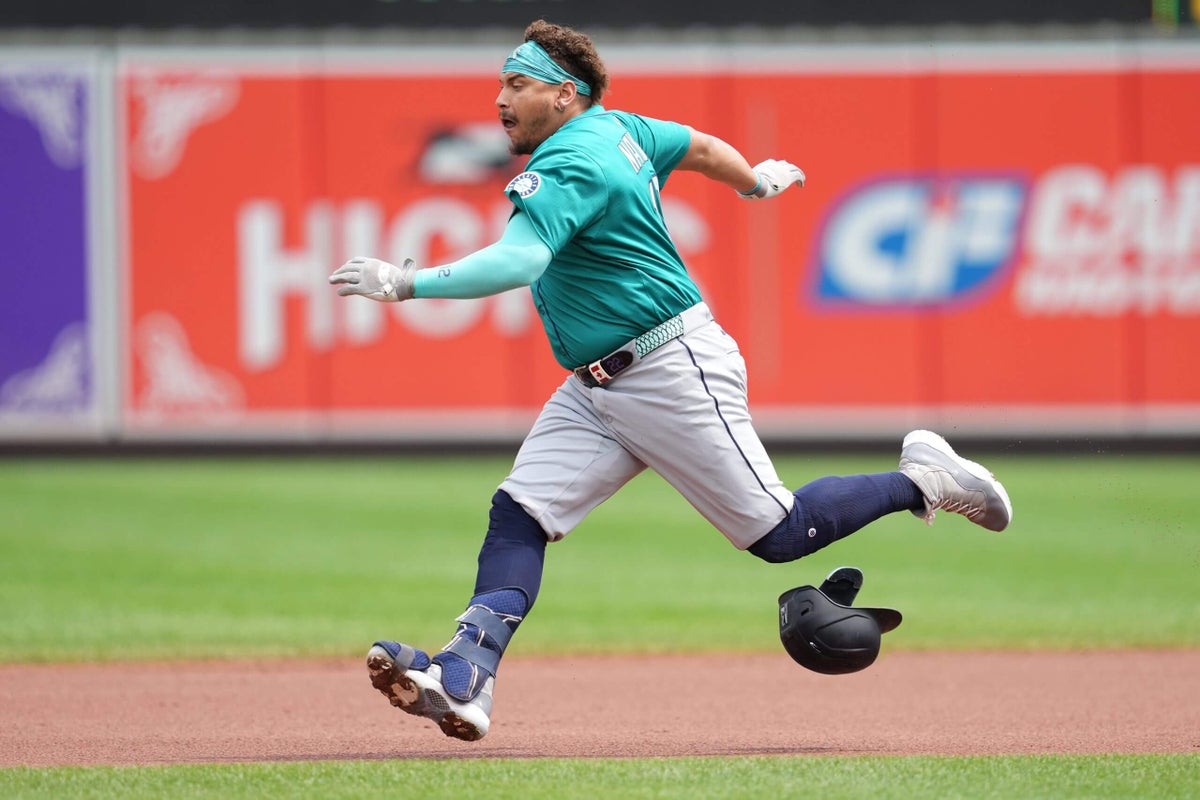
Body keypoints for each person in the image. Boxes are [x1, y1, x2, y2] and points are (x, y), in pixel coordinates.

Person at [328, 20, 1012, 742]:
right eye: (501, 82)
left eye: (518, 83)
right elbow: (703, 148)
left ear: (565, 95)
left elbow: (522, 260)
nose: (500, 98)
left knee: (780, 534)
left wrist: (408, 282)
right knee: (520, 512)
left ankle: (925, 479)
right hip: (597, 387)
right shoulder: (621, 129)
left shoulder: (570, 160)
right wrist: (755, 181)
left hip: (668, 368)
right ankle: (467, 671)